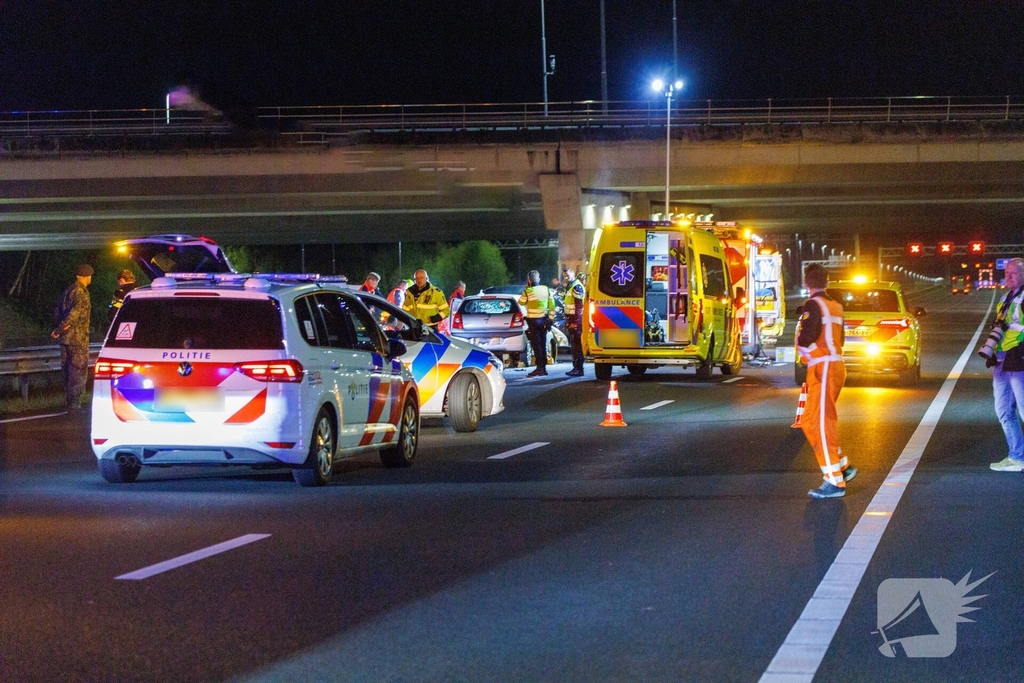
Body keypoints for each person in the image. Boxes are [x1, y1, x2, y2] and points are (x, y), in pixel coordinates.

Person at [795, 263, 855, 498]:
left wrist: (804, 352)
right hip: (833, 366)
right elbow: (841, 338)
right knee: (810, 421)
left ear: (805, 284)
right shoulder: (836, 306)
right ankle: (842, 467)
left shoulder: (813, 304)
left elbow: (807, 337)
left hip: (824, 367)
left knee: (821, 424)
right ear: (827, 282)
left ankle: (834, 482)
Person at [988, 258, 1024, 472]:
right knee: (1003, 410)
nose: (1008, 276)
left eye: (1014, 273)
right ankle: (1017, 456)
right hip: (1002, 359)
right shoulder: (1005, 299)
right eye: (1007, 272)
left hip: (1019, 358)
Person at [52, 264, 93, 411]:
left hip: (65, 339)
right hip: (78, 339)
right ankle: (74, 404)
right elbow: (73, 315)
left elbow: (57, 311)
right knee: (78, 371)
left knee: (67, 370)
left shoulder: (68, 290)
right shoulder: (82, 292)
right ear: (87, 276)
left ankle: (68, 401)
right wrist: (60, 328)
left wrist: (59, 329)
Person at [519, 269, 556, 377]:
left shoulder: (528, 291)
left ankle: (539, 368)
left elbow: (521, 302)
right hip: (544, 321)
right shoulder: (546, 289)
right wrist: (551, 318)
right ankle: (543, 368)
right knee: (543, 344)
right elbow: (552, 305)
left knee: (537, 346)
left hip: (533, 322)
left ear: (529, 280)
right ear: (539, 279)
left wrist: (527, 289)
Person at [563, 267, 586, 377]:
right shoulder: (571, 285)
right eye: (565, 275)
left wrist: (576, 322)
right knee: (574, 346)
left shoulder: (576, 286)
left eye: (568, 274)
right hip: (571, 319)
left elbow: (579, 306)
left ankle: (579, 368)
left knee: (577, 346)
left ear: (573, 274)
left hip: (576, 320)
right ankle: (576, 367)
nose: (566, 277)